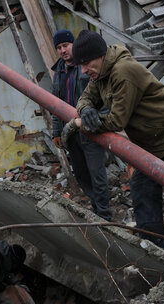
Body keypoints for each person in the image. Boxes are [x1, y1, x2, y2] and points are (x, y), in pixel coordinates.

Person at [62, 30, 164, 251]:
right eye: (80, 65)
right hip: (149, 141)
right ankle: (155, 249)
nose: (84, 70)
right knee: (142, 192)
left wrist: (81, 123)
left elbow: (117, 120)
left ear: (100, 56)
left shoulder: (123, 71)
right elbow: (86, 97)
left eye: (86, 63)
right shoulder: (100, 74)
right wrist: (86, 109)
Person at [50, 28, 112, 221]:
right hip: (70, 133)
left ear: (74, 45)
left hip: (88, 130)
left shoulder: (85, 67)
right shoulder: (59, 72)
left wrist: (98, 120)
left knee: (97, 176)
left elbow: (102, 97)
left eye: (66, 45)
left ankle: (104, 217)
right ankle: (96, 210)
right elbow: (54, 104)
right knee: (82, 175)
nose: (63, 50)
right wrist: (56, 131)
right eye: (59, 47)